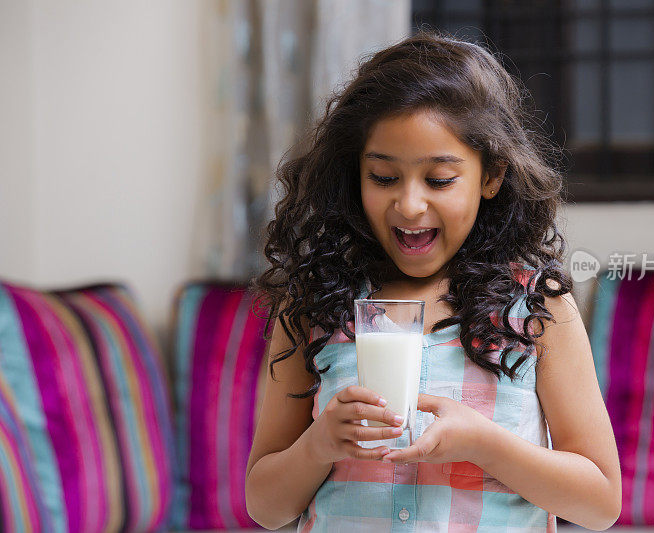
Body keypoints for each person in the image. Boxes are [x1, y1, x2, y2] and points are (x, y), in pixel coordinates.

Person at [245, 30, 621, 532]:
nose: (409, 204)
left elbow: (600, 504)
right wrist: (318, 445)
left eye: (440, 180)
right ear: (353, 174)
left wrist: (483, 443)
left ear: (491, 177)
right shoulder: (315, 307)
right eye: (383, 177)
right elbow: (265, 506)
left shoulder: (535, 307)